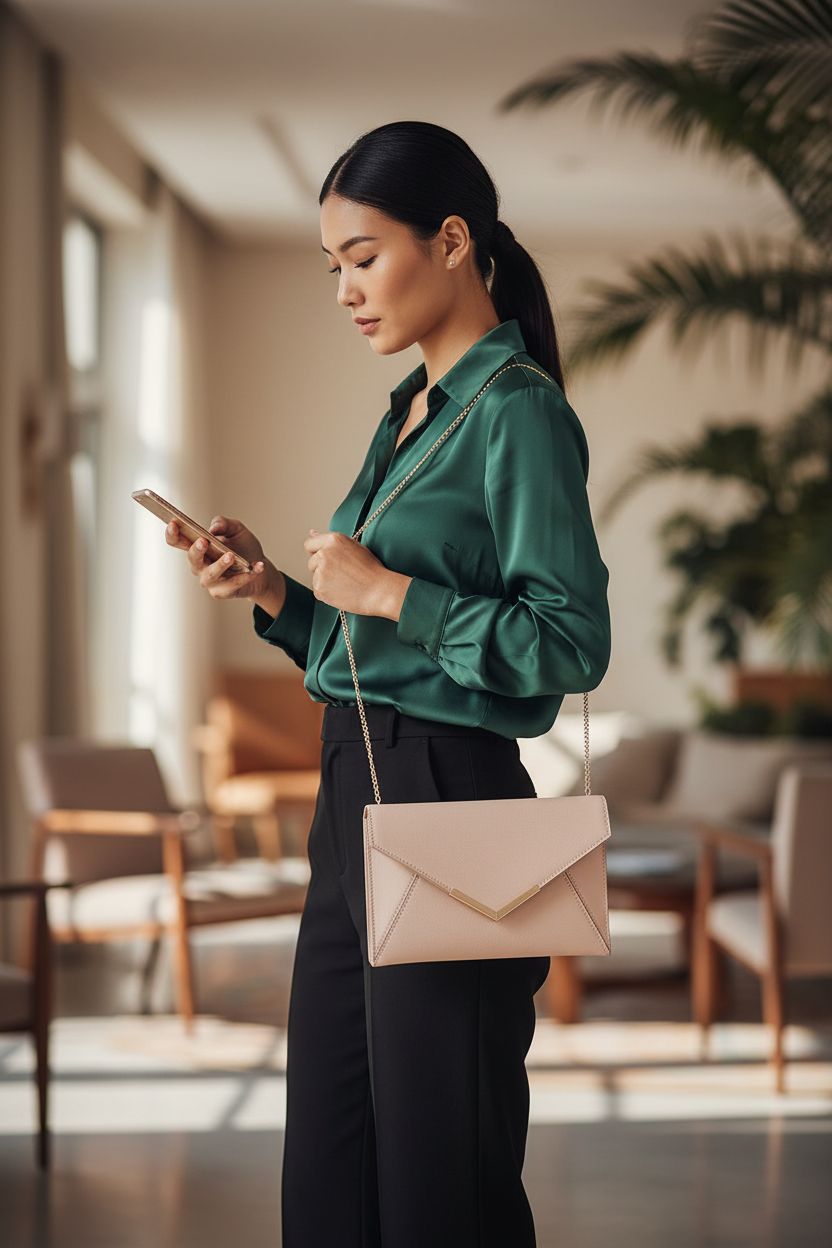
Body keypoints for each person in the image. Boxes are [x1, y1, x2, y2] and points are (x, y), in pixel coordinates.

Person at [166, 120, 611, 1248]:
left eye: (363, 258)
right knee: (332, 1151)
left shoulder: (517, 410)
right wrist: (275, 592)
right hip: (352, 788)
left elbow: (569, 645)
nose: (346, 290)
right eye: (332, 270)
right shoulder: (407, 414)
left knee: (437, 1173)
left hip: (451, 795)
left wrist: (391, 594)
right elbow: (357, 644)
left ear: (451, 240)